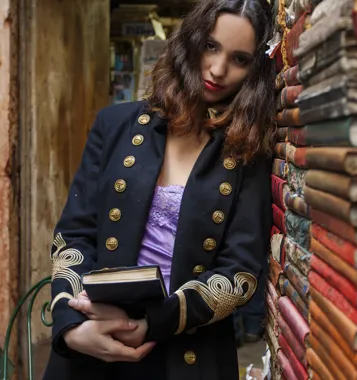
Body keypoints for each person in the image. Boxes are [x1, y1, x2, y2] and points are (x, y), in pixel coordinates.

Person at [42, 0, 275, 378]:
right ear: (190, 41)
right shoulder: (114, 124)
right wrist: (71, 325)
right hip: (91, 341)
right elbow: (75, 235)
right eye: (211, 47)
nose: (218, 69)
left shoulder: (248, 156)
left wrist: (153, 322)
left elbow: (240, 272)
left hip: (187, 351)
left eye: (240, 59)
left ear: (256, 70)